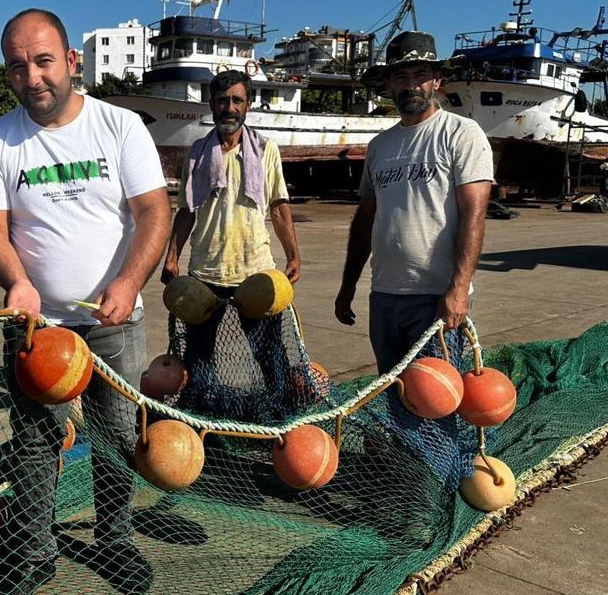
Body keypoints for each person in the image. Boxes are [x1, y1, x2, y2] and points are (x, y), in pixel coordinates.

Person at [0, 8, 170, 595]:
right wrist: (17, 283)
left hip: (114, 320)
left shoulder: (120, 127)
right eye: (17, 65)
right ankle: (32, 554)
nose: (32, 77)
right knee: (34, 440)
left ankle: (114, 541)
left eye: (44, 60)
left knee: (114, 436)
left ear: (72, 62)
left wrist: (130, 283)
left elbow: (154, 213)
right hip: (36, 324)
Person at [335, 30, 493, 377]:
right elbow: (365, 220)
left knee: (436, 401)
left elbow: (474, 214)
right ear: (388, 84)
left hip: (435, 297)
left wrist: (459, 288)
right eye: (401, 77)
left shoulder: (461, 133)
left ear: (437, 80)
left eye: (421, 75)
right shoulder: (380, 146)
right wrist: (348, 286)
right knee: (393, 394)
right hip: (385, 296)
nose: (412, 85)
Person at [160, 69, 301, 416]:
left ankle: (282, 423)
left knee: (270, 357)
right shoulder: (196, 153)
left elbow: (279, 206)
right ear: (211, 105)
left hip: (255, 271)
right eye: (222, 100)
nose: (229, 107)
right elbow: (186, 211)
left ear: (248, 105)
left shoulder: (266, 150)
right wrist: (172, 256)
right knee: (200, 360)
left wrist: (294, 255)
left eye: (237, 100)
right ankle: (201, 428)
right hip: (205, 273)